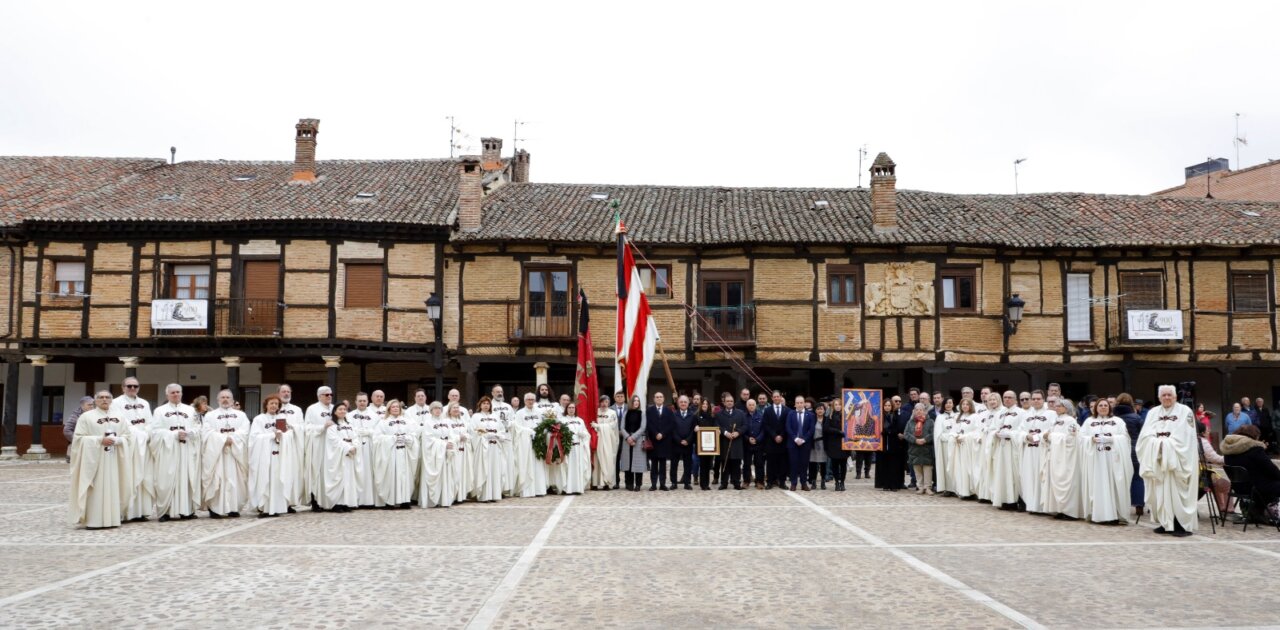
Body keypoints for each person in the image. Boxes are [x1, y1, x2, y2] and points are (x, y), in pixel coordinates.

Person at [1137, 385, 1198, 536]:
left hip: (1177, 461)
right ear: (1159, 398)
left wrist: (1165, 444)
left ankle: (1181, 525)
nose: (1166, 398)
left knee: (1178, 492)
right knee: (1160, 492)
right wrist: (1155, 444)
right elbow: (1144, 435)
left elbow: (1186, 436)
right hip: (1158, 460)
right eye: (1163, 395)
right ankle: (1166, 523)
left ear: (1175, 396)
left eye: (1169, 395)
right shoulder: (1152, 413)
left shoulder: (1185, 411)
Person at [68, 390, 134, 529]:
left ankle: (113, 519)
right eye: (101, 397)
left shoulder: (120, 417)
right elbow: (78, 438)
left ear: (111, 400)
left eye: (107, 397)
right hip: (94, 461)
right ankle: (94, 521)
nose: (104, 399)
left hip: (114, 460)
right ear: (95, 400)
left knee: (114, 486)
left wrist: (117, 440)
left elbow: (128, 438)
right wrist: (99, 440)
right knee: (96, 489)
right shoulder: (86, 417)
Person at [150, 383, 201, 522]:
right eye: (172, 393)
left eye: (178, 392)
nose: (176, 395)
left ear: (182, 393)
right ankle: (165, 511)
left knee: (185, 477)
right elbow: (155, 431)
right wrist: (173, 434)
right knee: (166, 478)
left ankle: (187, 511)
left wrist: (189, 433)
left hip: (186, 449)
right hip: (168, 450)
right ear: (167, 394)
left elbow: (198, 427)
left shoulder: (190, 410)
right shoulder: (159, 411)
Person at [1078, 399, 1132, 523]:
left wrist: (1111, 439)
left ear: (1110, 407)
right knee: (1097, 485)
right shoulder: (1088, 422)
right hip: (1095, 460)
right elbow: (1081, 438)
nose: (1103, 407)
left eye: (1105, 405)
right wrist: (1091, 439)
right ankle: (1098, 514)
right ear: (1096, 408)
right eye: (1100, 405)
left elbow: (1125, 438)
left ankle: (1115, 515)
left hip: (1112, 460)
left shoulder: (1118, 421)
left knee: (1113, 485)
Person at [247, 395, 300, 518]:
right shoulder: (259, 419)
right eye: (271, 403)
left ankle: (276, 507)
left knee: (277, 479)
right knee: (265, 479)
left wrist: (285, 434)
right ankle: (264, 508)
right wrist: (271, 435)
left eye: (276, 404)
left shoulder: (282, 419)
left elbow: (288, 435)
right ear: (266, 405)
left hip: (279, 455)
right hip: (264, 456)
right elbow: (254, 438)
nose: (274, 406)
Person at [201, 390, 250, 518]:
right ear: (218, 400)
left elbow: (245, 431)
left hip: (235, 454)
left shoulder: (241, 415)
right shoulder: (210, 416)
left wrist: (232, 439)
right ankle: (215, 508)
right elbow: (207, 432)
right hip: (218, 454)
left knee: (236, 480)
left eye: (228, 397)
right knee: (217, 478)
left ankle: (233, 508)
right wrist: (223, 440)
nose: (225, 399)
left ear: (232, 400)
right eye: (222, 397)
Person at [113, 376, 154, 523]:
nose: (132, 389)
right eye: (129, 386)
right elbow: (121, 422)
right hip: (129, 446)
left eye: (135, 386)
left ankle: (141, 511)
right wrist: (137, 434)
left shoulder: (144, 403)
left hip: (144, 445)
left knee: (143, 477)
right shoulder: (116, 403)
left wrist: (147, 433)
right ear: (123, 387)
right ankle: (125, 511)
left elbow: (150, 422)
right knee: (128, 477)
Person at [1221, 424, 1280, 519]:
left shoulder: (1228, 451)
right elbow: (1272, 470)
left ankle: (1258, 512)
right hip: (1256, 488)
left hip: (1239, 488)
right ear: (1254, 436)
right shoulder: (1255, 450)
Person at [1040, 395, 1081, 520]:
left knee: (1067, 482)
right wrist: (1046, 436)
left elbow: (1070, 438)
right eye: (1056, 406)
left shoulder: (1071, 421)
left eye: (1059, 406)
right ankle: (1058, 509)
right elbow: (1049, 434)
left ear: (1066, 408)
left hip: (1066, 457)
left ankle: (1069, 511)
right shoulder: (1055, 420)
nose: (1056, 408)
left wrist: (1052, 436)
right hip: (1054, 456)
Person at [373, 399, 419, 508]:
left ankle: (405, 500)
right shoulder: (383, 422)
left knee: (405, 476)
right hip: (390, 454)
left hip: (404, 453)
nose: (395, 409)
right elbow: (377, 438)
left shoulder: (407, 421)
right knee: (391, 476)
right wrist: (392, 438)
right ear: (389, 409)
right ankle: (390, 501)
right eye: (393, 407)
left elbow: (414, 435)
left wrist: (406, 438)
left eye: (397, 407)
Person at [1014, 390, 1055, 513]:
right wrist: (1027, 437)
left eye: (1038, 399)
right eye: (1034, 399)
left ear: (1043, 400)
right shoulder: (1026, 415)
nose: (1036, 401)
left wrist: (1036, 437)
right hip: (1028, 451)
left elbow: (1051, 430)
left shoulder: (1051, 414)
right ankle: (1032, 505)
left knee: (1042, 476)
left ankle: (1043, 507)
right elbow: (1019, 431)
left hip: (1042, 450)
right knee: (1029, 477)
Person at [321, 402, 360, 513]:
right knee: (338, 478)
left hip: (349, 456)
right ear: (335, 412)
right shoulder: (332, 426)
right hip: (337, 457)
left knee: (347, 479)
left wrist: (355, 446)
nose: (343, 411)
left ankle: (346, 502)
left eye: (344, 409)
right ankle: (336, 503)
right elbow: (334, 441)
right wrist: (348, 447)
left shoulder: (349, 425)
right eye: (340, 409)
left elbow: (356, 437)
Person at [420, 402, 461, 507]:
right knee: (437, 476)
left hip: (446, 453)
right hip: (435, 455)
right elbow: (428, 439)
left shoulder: (447, 421)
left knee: (447, 476)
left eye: (439, 408)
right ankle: (434, 501)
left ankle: (445, 499)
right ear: (431, 410)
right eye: (435, 408)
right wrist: (443, 444)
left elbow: (452, 434)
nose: (437, 410)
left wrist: (450, 443)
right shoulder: (427, 423)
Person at [1113, 393, 1145, 521]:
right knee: (1137, 478)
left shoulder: (1113, 418)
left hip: (1118, 451)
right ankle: (1139, 506)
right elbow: (1143, 434)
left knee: (1118, 477)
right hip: (1135, 450)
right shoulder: (1136, 418)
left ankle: (1118, 505)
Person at [303, 386, 335, 511]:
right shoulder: (312, 409)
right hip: (318, 444)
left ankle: (329, 500)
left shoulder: (334, 408)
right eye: (326, 395)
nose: (329, 396)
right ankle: (315, 499)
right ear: (320, 396)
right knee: (317, 471)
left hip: (332, 445)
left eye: (331, 394)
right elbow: (308, 427)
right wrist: (323, 426)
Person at [471, 396, 508, 502]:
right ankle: (483, 495)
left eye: (488, 404)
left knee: (495, 469)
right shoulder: (476, 416)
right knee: (484, 468)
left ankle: (494, 494)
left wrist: (499, 436)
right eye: (484, 404)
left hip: (495, 448)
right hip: (483, 447)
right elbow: (473, 431)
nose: (486, 405)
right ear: (480, 405)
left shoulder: (495, 416)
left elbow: (501, 429)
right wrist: (484, 436)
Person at [512, 393, 548, 497]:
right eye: (528, 399)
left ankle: (539, 489)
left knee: (538, 464)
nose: (530, 401)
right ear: (524, 400)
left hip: (538, 442)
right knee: (527, 465)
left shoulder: (540, 412)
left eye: (532, 399)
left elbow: (544, 425)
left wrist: (541, 432)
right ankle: (527, 490)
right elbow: (517, 427)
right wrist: (530, 431)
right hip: (525, 443)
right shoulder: (519, 413)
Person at [348, 393, 379, 508]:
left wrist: (369, 432)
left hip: (369, 446)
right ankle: (356, 499)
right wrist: (356, 432)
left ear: (367, 402)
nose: (362, 403)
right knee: (357, 472)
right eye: (359, 401)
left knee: (369, 472)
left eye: (364, 401)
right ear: (355, 402)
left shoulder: (374, 415)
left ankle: (369, 500)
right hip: (356, 446)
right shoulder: (349, 415)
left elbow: (379, 430)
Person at [950, 398, 984, 499]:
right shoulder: (958, 417)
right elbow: (952, 430)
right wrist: (956, 436)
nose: (965, 406)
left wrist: (964, 437)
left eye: (967, 404)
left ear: (971, 406)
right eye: (963, 404)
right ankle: (963, 491)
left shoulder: (975, 417)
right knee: (961, 469)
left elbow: (977, 431)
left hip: (969, 447)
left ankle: (971, 491)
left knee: (969, 469)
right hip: (959, 447)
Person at [1196, 421, 1231, 516]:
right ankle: (1228, 510)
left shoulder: (1187, 440)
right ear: (1202, 432)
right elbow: (1215, 458)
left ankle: (1222, 508)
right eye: (1207, 430)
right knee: (1226, 485)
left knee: (1216, 483)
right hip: (1199, 474)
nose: (1209, 431)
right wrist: (1229, 458)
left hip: (1192, 473)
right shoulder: (1202, 442)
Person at [557, 402, 592, 495]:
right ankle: (567, 488)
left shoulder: (580, 420)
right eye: (569, 408)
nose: (571, 409)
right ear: (566, 409)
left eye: (573, 408)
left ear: (575, 409)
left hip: (579, 447)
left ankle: (578, 488)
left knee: (578, 467)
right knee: (568, 467)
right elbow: (558, 434)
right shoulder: (562, 420)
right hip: (568, 448)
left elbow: (586, 433)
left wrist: (583, 434)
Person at [716, 392, 747, 490]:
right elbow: (717, 426)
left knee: (736, 464)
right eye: (727, 401)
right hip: (724, 442)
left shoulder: (740, 413)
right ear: (724, 403)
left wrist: (738, 432)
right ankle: (724, 483)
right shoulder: (719, 414)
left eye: (731, 401)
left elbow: (745, 426)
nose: (729, 403)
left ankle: (736, 482)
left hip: (736, 442)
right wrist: (725, 433)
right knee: (725, 463)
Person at [875, 398, 907, 491]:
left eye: (889, 405)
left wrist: (890, 432)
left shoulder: (895, 416)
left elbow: (897, 428)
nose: (887, 407)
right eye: (886, 405)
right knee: (884, 465)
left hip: (893, 443)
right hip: (883, 443)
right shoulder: (879, 417)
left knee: (893, 465)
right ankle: (885, 484)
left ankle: (894, 484)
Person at [785, 395, 815, 491]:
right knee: (793, 463)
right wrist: (795, 439)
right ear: (795, 404)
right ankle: (793, 483)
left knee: (804, 464)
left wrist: (803, 439)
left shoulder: (810, 415)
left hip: (805, 444)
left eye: (801, 402)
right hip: (793, 443)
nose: (799, 404)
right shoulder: (790, 414)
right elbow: (788, 427)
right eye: (797, 403)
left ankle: (803, 483)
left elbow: (811, 429)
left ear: (804, 404)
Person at [645, 392, 674, 491]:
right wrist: (655, 433)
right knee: (654, 464)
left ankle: (662, 484)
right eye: (657, 397)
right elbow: (648, 424)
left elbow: (671, 425)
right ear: (654, 399)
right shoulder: (649, 410)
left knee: (662, 464)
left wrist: (662, 434)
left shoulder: (669, 411)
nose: (659, 398)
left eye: (661, 397)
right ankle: (653, 484)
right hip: (654, 440)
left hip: (664, 441)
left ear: (664, 398)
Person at [761, 391, 790, 490]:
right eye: (775, 397)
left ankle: (782, 482)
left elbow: (788, 425)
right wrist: (774, 436)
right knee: (770, 463)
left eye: (778, 396)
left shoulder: (787, 410)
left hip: (783, 440)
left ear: (781, 397)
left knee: (783, 463)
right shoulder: (767, 410)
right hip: (771, 440)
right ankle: (770, 482)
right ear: (772, 398)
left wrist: (781, 435)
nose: (776, 398)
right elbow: (765, 425)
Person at [619, 395, 647, 491]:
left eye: (638, 401)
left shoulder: (642, 413)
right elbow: (622, 427)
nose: (636, 402)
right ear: (631, 402)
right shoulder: (626, 413)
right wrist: (627, 437)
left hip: (638, 440)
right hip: (627, 441)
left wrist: (633, 437)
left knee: (638, 463)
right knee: (628, 462)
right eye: (634, 401)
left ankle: (638, 484)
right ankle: (629, 483)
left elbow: (643, 427)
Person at [592, 395, 620, 491]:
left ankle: (606, 483)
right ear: (599, 402)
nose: (604, 404)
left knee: (608, 461)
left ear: (609, 403)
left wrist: (599, 426)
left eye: (606, 402)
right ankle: (595, 483)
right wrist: (596, 426)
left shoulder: (612, 413)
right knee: (597, 461)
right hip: (598, 440)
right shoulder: (596, 412)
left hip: (608, 440)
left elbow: (612, 425)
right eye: (602, 402)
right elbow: (592, 423)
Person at [932, 398, 957, 496]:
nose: (948, 405)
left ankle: (956, 488)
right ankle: (948, 488)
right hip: (945, 446)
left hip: (956, 445)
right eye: (946, 403)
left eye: (950, 403)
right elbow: (938, 434)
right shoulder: (940, 417)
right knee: (946, 466)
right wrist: (950, 437)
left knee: (956, 466)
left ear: (953, 404)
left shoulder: (958, 416)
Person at [671, 395, 696, 490]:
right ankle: (674, 483)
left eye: (685, 402)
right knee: (674, 464)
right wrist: (679, 440)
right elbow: (672, 429)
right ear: (678, 403)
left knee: (688, 464)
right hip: (676, 444)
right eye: (681, 402)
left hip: (688, 444)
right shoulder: (673, 415)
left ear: (688, 403)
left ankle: (687, 483)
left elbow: (693, 430)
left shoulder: (692, 415)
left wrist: (688, 440)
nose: (683, 403)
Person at [820, 401, 847, 490]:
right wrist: (838, 431)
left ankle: (842, 482)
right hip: (834, 443)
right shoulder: (829, 416)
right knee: (835, 464)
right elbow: (826, 428)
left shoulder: (846, 416)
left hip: (844, 443)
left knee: (843, 464)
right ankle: (836, 482)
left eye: (839, 404)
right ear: (833, 406)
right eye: (836, 405)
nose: (838, 406)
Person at [695, 399, 718, 491]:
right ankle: (702, 484)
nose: (705, 405)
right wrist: (695, 428)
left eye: (706, 404)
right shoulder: (696, 416)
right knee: (702, 464)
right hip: (701, 445)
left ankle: (707, 484)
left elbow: (715, 427)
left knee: (708, 465)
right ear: (701, 405)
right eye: (703, 403)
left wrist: (718, 430)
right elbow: (694, 427)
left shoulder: (712, 417)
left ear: (709, 405)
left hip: (710, 445)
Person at [64, 396, 94, 463]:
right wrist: (77, 440)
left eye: (93, 404)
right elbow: (67, 430)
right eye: (89, 405)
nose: (92, 406)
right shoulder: (75, 416)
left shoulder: (97, 413)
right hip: (81, 445)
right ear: (82, 406)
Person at [744, 398, 765, 489]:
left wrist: (758, 439)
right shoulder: (743, 416)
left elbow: (764, 430)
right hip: (747, 443)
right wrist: (748, 439)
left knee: (759, 463)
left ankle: (759, 481)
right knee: (746, 464)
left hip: (758, 444)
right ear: (746, 406)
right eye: (749, 405)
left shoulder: (761, 416)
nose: (751, 406)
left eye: (753, 405)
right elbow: (741, 430)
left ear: (755, 405)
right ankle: (746, 481)